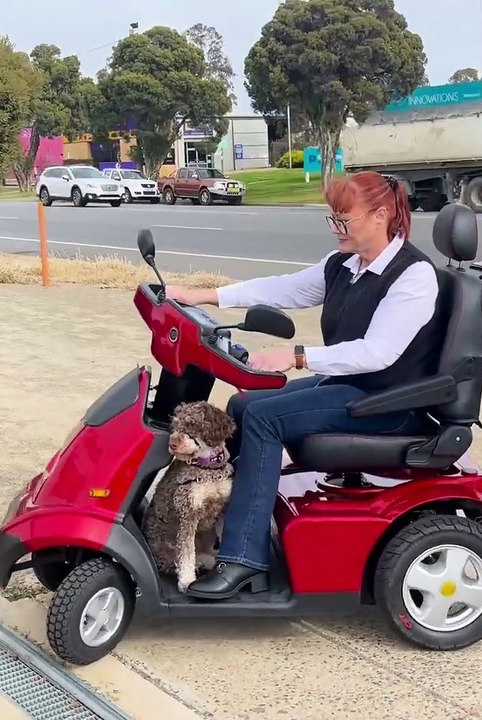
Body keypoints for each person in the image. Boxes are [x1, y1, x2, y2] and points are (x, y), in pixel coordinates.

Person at [162, 170, 445, 600]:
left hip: (387, 402)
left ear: (380, 215)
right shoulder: (346, 266)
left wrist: (297, 357)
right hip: (351, 387)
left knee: (261, 418)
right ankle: (214, 515)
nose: (336, 229)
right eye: (332, 219)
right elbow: (286, 288)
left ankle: (243, 559)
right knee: (242, 405)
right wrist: (204, 296)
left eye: (343, 220)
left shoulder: (413, 276)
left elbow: (379, 352)